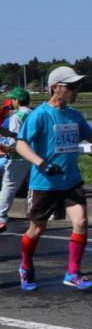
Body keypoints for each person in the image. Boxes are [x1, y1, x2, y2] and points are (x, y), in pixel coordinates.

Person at [14, 67, 92, 291]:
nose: (75, 90)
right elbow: (21, 144)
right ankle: (26, 265)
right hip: (44, 183)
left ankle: (73, 273)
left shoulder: (74, 115)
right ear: (55, 88)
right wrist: (41, 163)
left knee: (81, 222)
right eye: (70, 86)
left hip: (70, 181)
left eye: (77, 86)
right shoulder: (40, 115)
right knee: (37, 230)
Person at [0, 87, 33, 232]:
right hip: (36, 155)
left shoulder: (17, 116)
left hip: (19, 156)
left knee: (9, 185)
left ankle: (0, 217)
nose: (11, 102)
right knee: (34, 186)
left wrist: (9, 150)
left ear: (17, 100)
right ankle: (36, 213)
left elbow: (14, 138)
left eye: (12, 99)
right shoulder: (34, 113)